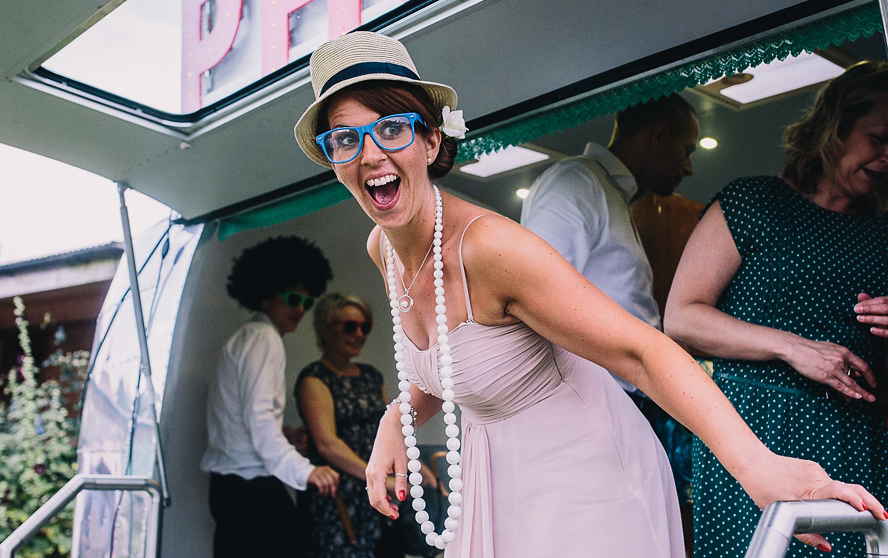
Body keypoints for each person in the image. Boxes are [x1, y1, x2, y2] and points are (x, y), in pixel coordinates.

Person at [292, 31, 885, 558]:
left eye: (391, 129)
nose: (370, 153)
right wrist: (399, 416)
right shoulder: (383, 247)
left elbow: (642, 352)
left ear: (428, 142)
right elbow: (443, 358)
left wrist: (759, 469)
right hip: (499, 481)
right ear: (332, 159)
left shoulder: (492, 251)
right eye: (345, 139)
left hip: (587, 480)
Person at [664, 60, 888, 558]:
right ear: (837, 125)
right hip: (755, 434)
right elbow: (681, 317)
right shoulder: (754, 201)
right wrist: (793, 348)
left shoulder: (885, 232)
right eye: (879, 137)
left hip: (859, 440)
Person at [519, 94, 699, 506]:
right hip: (592, 411)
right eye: (687, 150)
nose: (689, 166)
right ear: (659, 133)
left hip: (624, 404)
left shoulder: (608, 193)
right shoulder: (575, 184)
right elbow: (535, 303)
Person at [200, 236, 340, 558]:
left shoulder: (247, 336)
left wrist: (283, 436)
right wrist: (305, 471)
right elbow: (260, 420)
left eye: (307, 302)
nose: (300, 310)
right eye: (293, 298)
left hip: (230, 486)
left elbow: (244, 420)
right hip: (250, 489)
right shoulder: (264, 339)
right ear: (265, 296)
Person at [294, 292, 392, 557]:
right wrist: (382, 479)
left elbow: (390, 430)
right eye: (350, 326)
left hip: (377, 491)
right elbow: (327, 445)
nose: (359, 334)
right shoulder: (314, 378)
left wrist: (411, 471)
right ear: (325, 330)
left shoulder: (372, 375)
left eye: (365, 327)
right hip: (338, 498)